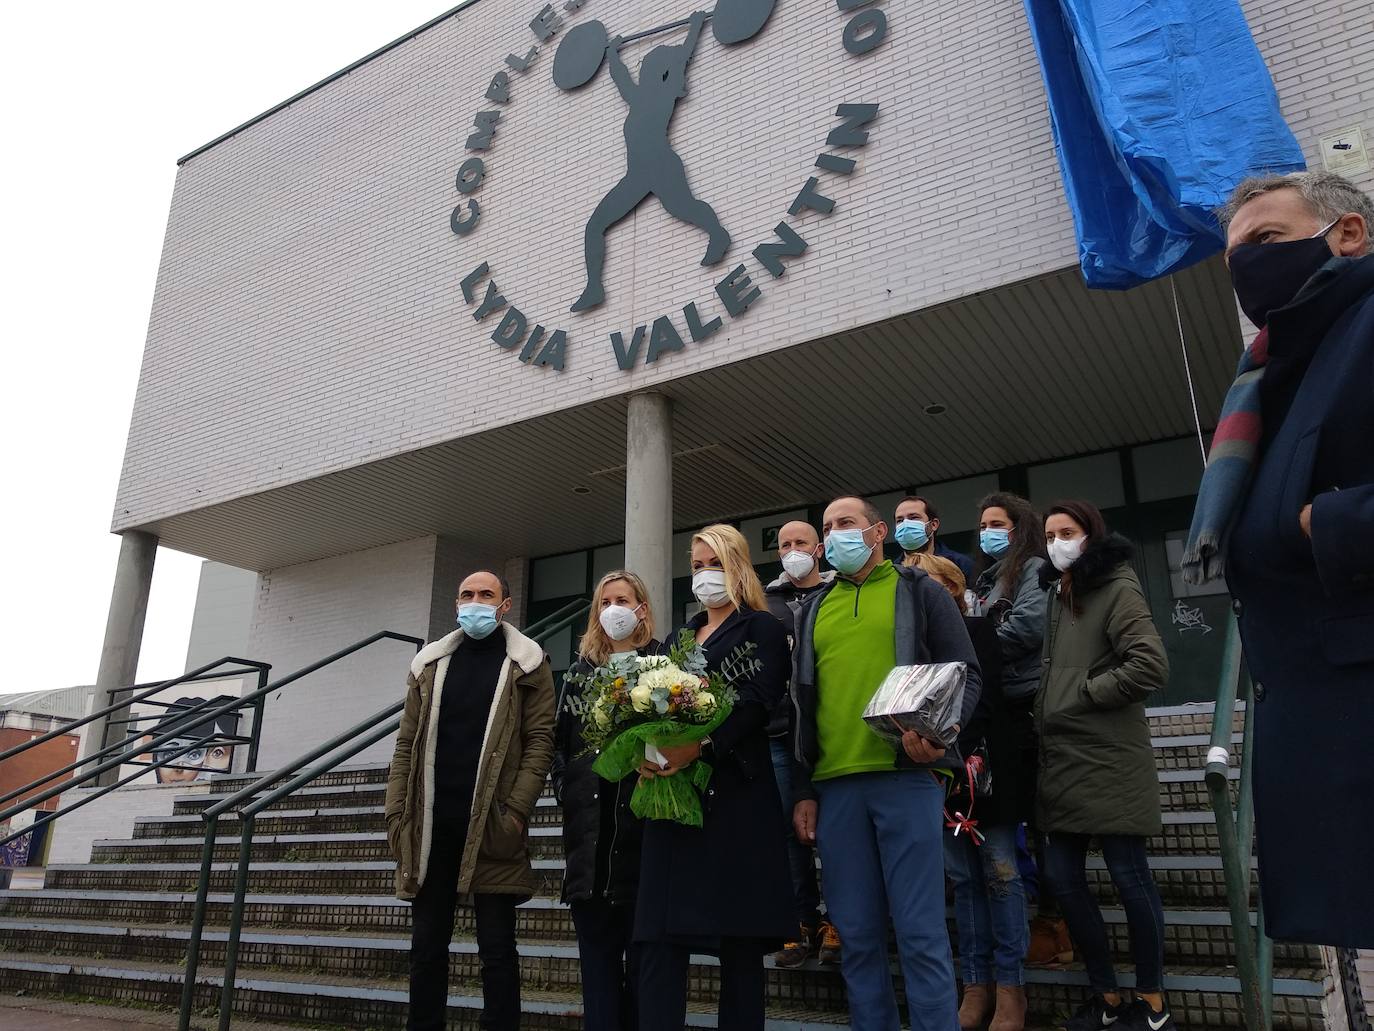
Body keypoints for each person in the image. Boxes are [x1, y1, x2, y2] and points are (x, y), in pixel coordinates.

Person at [1183, 170, 1374, 948]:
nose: (1248, 268)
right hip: (1326, 717)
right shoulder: (1272, 369)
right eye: (1235, 259)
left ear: (1349, 233)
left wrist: (1326, 521)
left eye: (1266, 239)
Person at [790, 496, 982, 1031]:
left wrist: (939, 738)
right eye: (827, 529)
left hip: (908, 777)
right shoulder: (812, 610)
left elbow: (967, 674)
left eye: (845, 524)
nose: (833, 537)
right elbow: (803, 706)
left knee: (920, 931)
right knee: (855, 935)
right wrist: (804, 788)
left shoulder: (920, 592)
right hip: (835, 789)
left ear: (878, 533)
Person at [634, 524, 794, 1030]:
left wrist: (700, 745)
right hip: (674, 799)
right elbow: (658, 701)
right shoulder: (682, 637)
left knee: (739, 939)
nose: (704, 575)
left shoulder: (762, 628)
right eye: (697, 566)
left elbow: (757, 701)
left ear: (738, 566)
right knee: (660, 936)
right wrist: (650, 749)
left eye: (714, 564)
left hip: (736, 796)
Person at [385, 571, 556, 1031]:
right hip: (431, 828)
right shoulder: (431, 664)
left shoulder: (528, 663)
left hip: (493, 826)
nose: (475, 602)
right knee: (426, 952)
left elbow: (540, 741)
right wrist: (397, 813)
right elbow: (406, 745)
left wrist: (516, 812)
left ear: (505, 605)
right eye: (467, 595)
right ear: (455, 603)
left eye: (486, 595)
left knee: (497, 951)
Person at [1038, 502, 1172, 1031]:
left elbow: (1149, 665)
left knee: (1129, 879)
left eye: (1066, 532)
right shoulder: (1058, 592)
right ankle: (1106, 996)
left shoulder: (1119, 587)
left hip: (1110, 756)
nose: (1056, 543)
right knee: (1063, 880)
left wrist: (1084, 694)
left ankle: (1153, 1000)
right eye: (1049, 535)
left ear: (1091, 536)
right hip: (1063, 759)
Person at [909, 553, 1032, 1031]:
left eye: (928, 582)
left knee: (1001, 877)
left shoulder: (980, 632)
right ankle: (975, 985)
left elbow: (988, 702)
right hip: (939, 776)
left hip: (987, 778)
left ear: (952, 589)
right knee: (963, 880)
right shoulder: (913, 646)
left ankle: (1011, 987)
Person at [552, 571, 663, 1031]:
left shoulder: (663, 665)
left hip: (645, 840)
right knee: (597, 972)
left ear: (641, 607)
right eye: (605, 602)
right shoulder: (581, 672)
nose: (613, 609)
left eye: (623, 599)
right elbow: (559, 741)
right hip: (590, 846)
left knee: (644, 974)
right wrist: (566, 788)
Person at [571, 11, 729, 312]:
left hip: (662, 166)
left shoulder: (664, 95)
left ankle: (718, 235)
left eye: (648, 66)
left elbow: (684, 56)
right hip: (637, 175)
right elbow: (620, 78)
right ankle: (594, 288)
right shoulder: (637, 97)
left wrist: (695, 28)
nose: (643, 70)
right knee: (595, 226)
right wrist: (613, 54)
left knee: (684, 208)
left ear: (658, 71)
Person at [972, 493, 1068, 970]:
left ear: (1019, 527)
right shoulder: (987, 582)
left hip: (1028, 706)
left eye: (996, 523)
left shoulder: (1032, 569)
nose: (987, 531)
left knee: (1041, 818)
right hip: (1002, 709)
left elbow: (1029, 628)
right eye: (983, 524)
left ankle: (1054, 922)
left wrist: (974, 648)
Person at [762, 521, 840, 968]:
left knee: (833, 833)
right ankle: (800, 922)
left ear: (819, 549)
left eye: (801, 544)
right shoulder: (765, 605)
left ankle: (840, 922)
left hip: (829, 733)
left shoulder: (836, 595)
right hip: (777, 735)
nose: (793, 551)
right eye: (785, 545)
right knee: (790, 834)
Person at [893, 495, 975, 581]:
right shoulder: (893, 571)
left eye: (914, 517)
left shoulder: (961, 565)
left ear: (933, 524)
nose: (906, 524)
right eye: (900, 520)